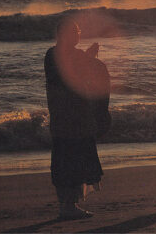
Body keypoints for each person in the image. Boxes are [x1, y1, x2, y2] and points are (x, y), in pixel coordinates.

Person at [44, 18, 111, 220]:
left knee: (75, 158)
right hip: (67, 117)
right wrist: (89, 58)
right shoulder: (53, 54)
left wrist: (89, 59)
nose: (76, 35)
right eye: (73, 32)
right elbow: (71, 76)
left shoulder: (67, 54)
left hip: (78, 116)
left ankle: (69, 204)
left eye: (77, 31)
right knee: (66, 158)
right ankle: (66, 205)